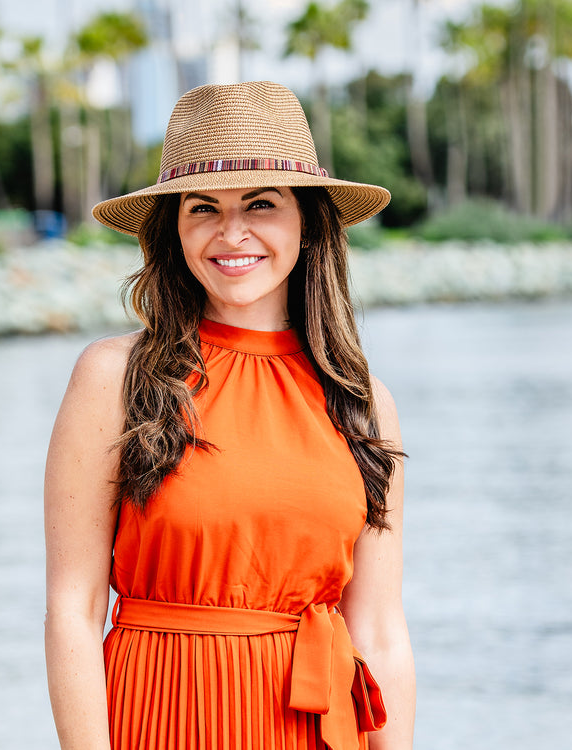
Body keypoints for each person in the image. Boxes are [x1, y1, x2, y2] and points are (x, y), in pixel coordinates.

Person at [44, 80, 415, 750]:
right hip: (158, 718)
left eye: (261, 204)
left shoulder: (362, 401)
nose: (231, 232)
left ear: (307, 221)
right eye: (203, 207)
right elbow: (73, 610)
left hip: (315, 729)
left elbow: (382, 631)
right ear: (175, 228)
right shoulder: (113, 377)